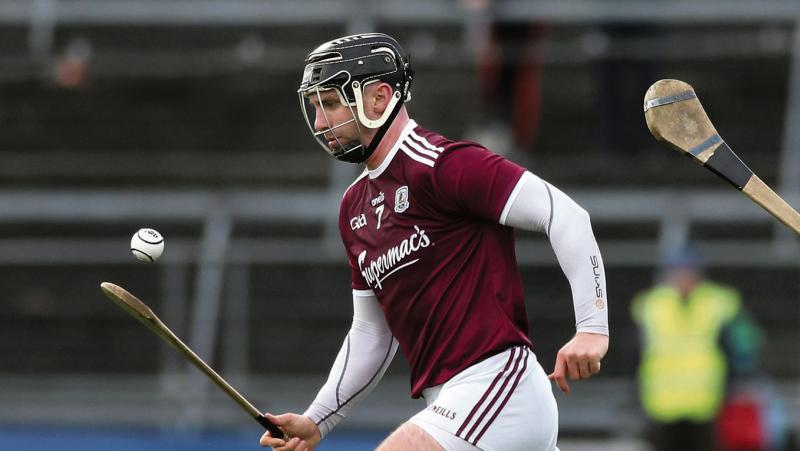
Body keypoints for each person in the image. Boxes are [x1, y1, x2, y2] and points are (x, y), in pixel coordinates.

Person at [260, 33, 609, 451]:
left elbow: (565, 215)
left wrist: (592, 328)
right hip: (450, 403)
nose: (319, 123)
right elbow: (372, 332)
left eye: (331, 104)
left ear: (379, 98)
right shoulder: (353, 207)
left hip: (497, 386)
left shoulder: (443, 165)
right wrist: (318, 419)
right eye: (316, 107)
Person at [630, 248, 759, 451]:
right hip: (661, 405)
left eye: (688, 272)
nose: (684, 279)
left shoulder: (717, 303)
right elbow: (636, 355)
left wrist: (736, 384)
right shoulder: (651, 305)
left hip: (705, 406)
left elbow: (743, 345)